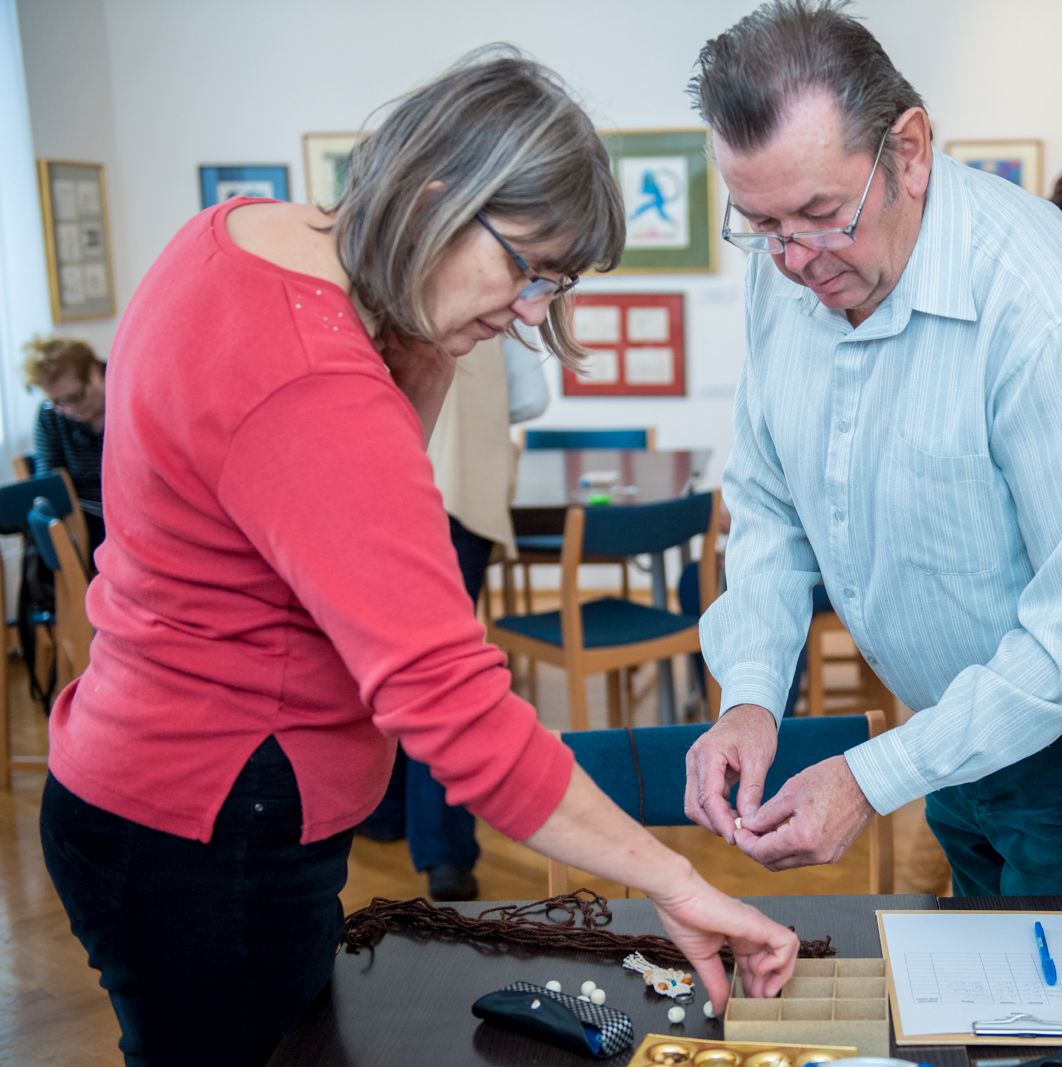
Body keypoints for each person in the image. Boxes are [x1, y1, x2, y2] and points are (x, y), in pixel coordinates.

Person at [38, 46, 797, 1067]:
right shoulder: (317, 391)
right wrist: (676, 880)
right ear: (441, 198)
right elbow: (453, 707)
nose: (530, 311)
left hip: (131, 777)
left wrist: (434, 329)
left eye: (554, 286)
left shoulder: (238, 235)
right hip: (213, 825)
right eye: (526, 269)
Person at [681, 0, 1062, 899]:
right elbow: (769, 507)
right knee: (995, 984)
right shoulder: (786, 273)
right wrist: (749, 693)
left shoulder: (1043, 306)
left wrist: (869, 775)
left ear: (912, 151)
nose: (795, 261)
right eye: (761, 224)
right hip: (956, 717)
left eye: (819, 214)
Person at [358, 333, 543, 902]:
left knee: (384, 658)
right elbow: (531, 400)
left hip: (379, 497)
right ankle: (443, 853)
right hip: (460, 502)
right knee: (439, 675)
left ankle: (387, 813)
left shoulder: (376, 297)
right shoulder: (494, 312)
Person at [22, 335, 108, 552]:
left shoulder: (127, 394)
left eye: (75, 397)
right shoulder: (50, 415)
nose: (69, 410)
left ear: (95, 371)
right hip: (86, 526)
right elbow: (50, 481)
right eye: (57, 402)